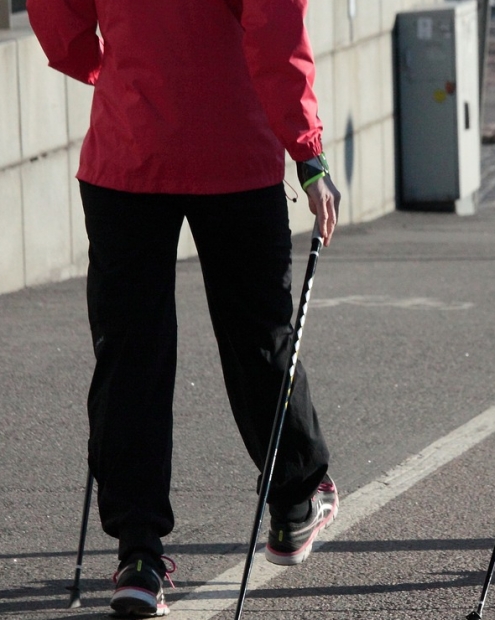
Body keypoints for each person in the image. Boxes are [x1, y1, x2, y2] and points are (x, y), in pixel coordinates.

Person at [27, 0, 341, 616]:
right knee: (259, 335)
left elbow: (58, 24)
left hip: (127, 147)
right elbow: (276, 34)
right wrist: (308, 154)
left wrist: (115, 70)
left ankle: (138, 553)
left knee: (129, 356)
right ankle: (295, 497)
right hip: (234, 150)